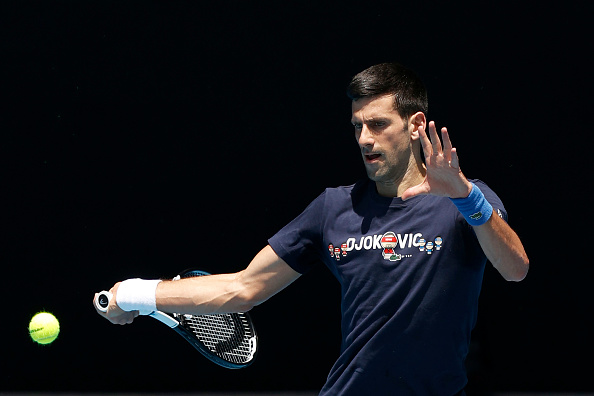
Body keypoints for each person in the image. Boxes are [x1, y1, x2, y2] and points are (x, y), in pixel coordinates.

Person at [94, 62, 529, 395]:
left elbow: (515, 268)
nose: (364, 139)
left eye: (377, 124)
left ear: (415, 126)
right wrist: (134, 293)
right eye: (357, 126)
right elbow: (243, 288)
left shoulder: (470, 201)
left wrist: (464, 197)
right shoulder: (332, 208)